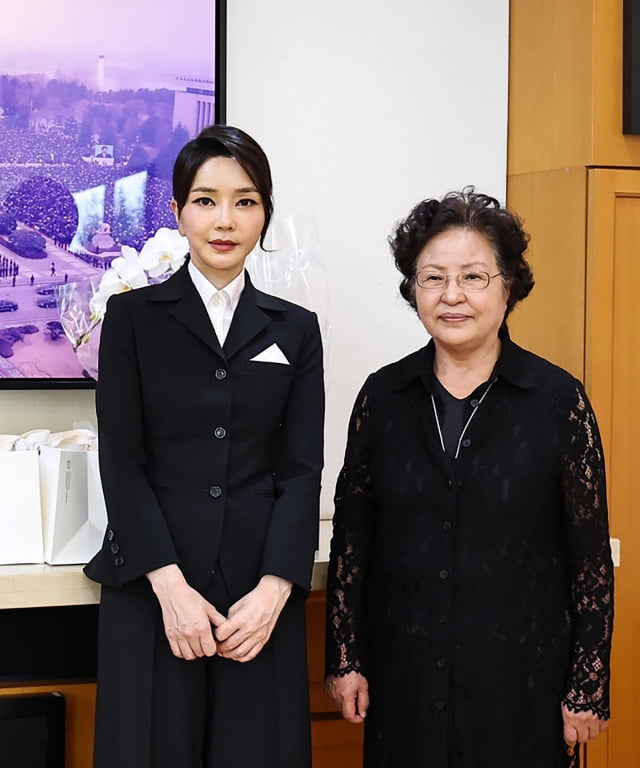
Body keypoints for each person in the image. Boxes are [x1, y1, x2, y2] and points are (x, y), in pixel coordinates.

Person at [324, 189, 613, 768]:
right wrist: (346, 656)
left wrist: (587, 684)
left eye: (474, 277)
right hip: (404, 682)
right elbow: (353, 540)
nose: (451, 296)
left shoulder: (558, 401)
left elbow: (588, 560)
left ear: (509, 286)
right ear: (414, 289)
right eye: (433, 278)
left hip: (522, 688)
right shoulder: (382, 398)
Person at [85, 124, 325, 768]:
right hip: (152, 588)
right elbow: (122, 463)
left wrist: (277, 588)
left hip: (257, 602)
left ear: (265, 214)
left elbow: (302, 470)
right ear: (177, 212)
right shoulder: (133, 320)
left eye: (246, 201)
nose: (225, 220)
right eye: (206, 200)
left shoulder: (295, 330)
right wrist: (170, 586)